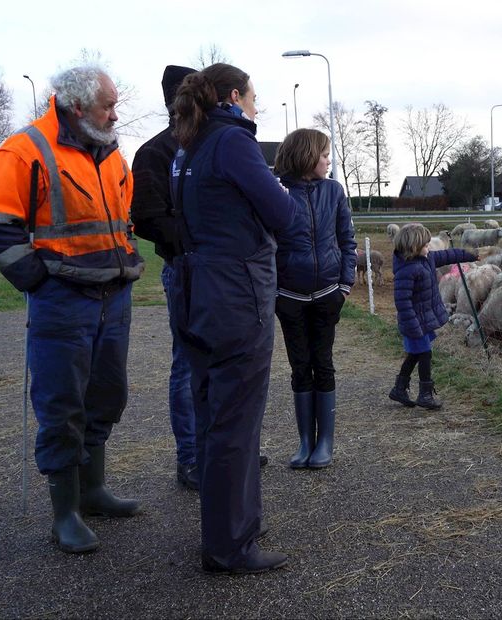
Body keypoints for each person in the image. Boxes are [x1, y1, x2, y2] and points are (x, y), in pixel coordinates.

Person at [0, 65, 144, 553]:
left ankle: (92, 491)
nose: (115, 113)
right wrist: (36, 279)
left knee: (107, 395)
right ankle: (63, 514)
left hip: (115, 294)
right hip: (62, 301)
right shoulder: (25, 149)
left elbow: (122, 215)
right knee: (61, 403)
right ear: (77, 105)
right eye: (108, 104)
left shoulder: (109, 152)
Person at [169, 63, 296, 574]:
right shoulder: (233, 142)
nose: (257, 107)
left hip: (195, 289)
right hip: (235, 295)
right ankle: (229, 545)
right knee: (237, 420)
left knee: (213, 415)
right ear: (234, 95)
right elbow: (283, 215)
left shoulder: (188, 145)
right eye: (254, 97)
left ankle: (232, 524)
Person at [130, 65, 200, 490]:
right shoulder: (155, 153)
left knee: (222, 362)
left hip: (220, 271)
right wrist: (192, 244)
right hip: (185, 269)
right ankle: (190, 457)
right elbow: (147, 217)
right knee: (188, 364)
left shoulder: (213, 145)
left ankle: (219, 446)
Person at [272, 128, 356, 469]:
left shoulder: (334, 191)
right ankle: (305, 441)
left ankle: (326, 443)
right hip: (289, 296)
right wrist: (275, 291)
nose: (328, 160)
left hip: (326, 295)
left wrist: (345, 285)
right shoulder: (277, 192)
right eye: (323, 154)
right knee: (298, 366)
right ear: (307, 156)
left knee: (322, 363)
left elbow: (347, 241)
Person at [389, 224, 476, 410]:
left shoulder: (426, 259)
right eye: (426, 245)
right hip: (414, 323)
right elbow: (402, 303)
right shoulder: (406, 271)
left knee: (414, 354)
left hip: (422, 320)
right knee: (425, 354)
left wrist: (471, 255)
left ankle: (399, 388)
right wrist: (413, 327)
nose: (430, 248)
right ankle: (425, 394)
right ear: (414, 247)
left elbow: (448, 255)